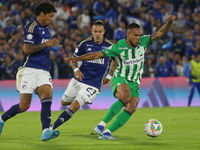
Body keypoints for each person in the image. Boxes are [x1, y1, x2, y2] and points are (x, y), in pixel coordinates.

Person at [65, 15, 176, 140]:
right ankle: (101, 125)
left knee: (132, 106)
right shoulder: (118, 47)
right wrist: (78, 58)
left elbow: (160, 33)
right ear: (128, 35)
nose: (138, 38)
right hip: (120, 77)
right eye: (135, 35)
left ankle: (107, 132)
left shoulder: (144, 41)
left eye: (139, 35)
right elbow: (97, 55)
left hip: (134, 81)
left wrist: (169, 23)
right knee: (126, 97)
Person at [0, 2, 64, 141]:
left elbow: (45, 46)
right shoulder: (31, 27)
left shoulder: (48, 28)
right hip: (29, 69)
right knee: (24, 106)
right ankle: (1, 119)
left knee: (47, 96)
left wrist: (54, 47)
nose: (52, 19)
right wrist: (47, 44)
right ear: (42, 14)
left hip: (44, 71)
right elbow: (27, 49)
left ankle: (46, 131)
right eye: (50, 16)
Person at [50, 20, 114, 133]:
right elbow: (73, 60)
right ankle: (82, 99)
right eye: (95, 31)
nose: (97, 34)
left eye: (100, 31)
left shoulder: (109, 46)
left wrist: (109, 75)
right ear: (92, 31)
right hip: (79, 79)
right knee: (64, 102)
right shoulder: (85, 44)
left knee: (74, 106)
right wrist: (76, 70)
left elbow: (116, 61)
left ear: (104, 32)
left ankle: (51, 128)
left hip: (94, 84)